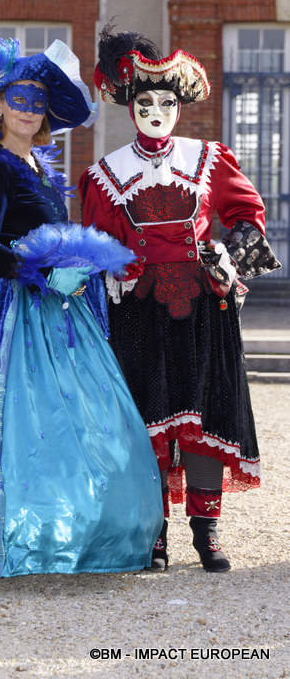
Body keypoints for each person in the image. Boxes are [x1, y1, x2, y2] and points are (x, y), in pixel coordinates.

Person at [0, 37, 163, 578]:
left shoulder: (38, 167)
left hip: (60, 310)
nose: (29, 110)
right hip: (7, 309)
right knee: (11, 422)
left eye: (38, 101)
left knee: (72, 423)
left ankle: (71, 532)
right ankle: (1, 537)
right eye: (19, 99)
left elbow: (56, 232)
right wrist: (36, 270)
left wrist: (73, 272)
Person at [79, 28, 281, 573]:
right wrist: (115, 267)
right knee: (149, 416)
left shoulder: (210, 158)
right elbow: (98, 243)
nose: (156, 111)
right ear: (129, 106)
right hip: (138, 307)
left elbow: (248, 216)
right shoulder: (103, 176)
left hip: (203, 304)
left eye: (167, 102)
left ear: (180, 105)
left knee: (203, 412)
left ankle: (206, 530)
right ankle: (154, 530)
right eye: (145, 102)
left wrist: (229, 262)